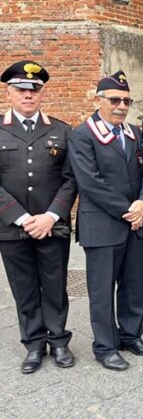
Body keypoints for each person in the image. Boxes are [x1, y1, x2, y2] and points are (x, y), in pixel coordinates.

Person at [69, 71, 143, 371]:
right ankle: (105, 346)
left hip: (136, 221)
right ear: (99, 100)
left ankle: (131, 335)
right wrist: (128, 210)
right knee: (102, 290)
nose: (121, 106)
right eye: (115, 100)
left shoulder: (134, 133)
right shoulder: (82, 134)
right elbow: (89, 183)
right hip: (103, 225)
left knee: (134, 285)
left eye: (126, 101)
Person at [0, 60, 77, 374]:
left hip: (52, 226)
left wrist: (51, 216)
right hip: (10, 227)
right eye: (21, 89)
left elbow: (71, 178)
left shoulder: (61, 130)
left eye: (34, 89)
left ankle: (58, 340)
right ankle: (33, 343)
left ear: (42, 92)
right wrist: (21, 218)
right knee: (24, 287)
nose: (28, 95)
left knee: (55, 283)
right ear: (8, 92)